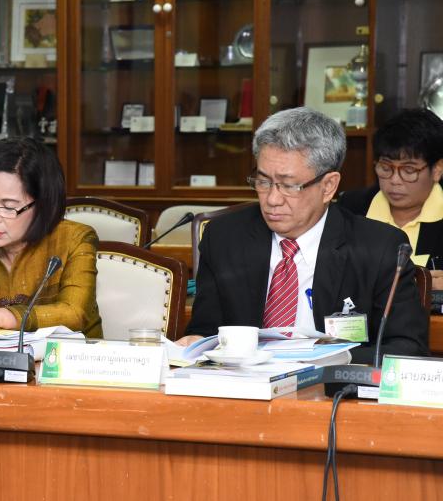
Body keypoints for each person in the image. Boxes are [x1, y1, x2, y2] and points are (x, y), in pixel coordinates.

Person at [179, 107, 428, 364]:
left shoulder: (379, 248)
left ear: (328, 186)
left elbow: (407, 348)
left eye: (289, 185)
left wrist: (318, 362)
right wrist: (194, 342)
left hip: (330, 384)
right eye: (263, 182)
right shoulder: (224, 238)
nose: (272, 199)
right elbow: (206, 331)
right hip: (243, 383)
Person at [0, 137, 101, 337]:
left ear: (42, 205)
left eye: (8, 207)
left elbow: (75, 314)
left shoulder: (73, 240)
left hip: (71, 356)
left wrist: (2, 316)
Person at [338, 108, 443, 289]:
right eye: (386, 168)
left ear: (437, 170)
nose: (394, 180)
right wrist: (418, 283)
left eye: (409, 170)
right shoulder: (350, 209)